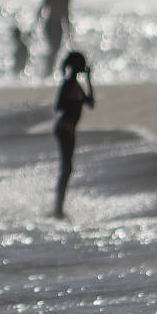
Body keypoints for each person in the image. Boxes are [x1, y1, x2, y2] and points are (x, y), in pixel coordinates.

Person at [52, 51, 95, 218]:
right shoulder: (69, 84)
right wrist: (72, 102)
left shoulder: (76, 85)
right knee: (66, 168)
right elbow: (59, 106)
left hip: (69, 129)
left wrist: (89, 81)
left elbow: (90, 103)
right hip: (65, 128)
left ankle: (59, 207)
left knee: (68, 169)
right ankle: (58, 209)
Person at [35, 0, 72, 74]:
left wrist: (68, 29)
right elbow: (42, 9)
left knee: (54, 49)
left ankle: (48, 71)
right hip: (51, 24)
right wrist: (37, 24)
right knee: (53, 48)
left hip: (55, 24)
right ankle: (47, 71)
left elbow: (66, 14)